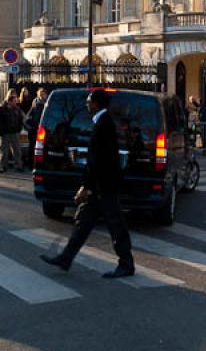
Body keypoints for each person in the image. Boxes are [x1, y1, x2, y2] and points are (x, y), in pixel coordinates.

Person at [40, 88, 135, 278]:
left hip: (104, 187)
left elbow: (99, 161)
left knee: (116, 226)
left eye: (89, 101)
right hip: (100, 186)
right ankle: (66, 258)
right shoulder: (103, 122)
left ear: (97, 104)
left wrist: (87, 186)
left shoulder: (104, 124)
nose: (87, 104)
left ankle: (126, 264)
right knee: (83, 224)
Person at [0, 90, 24, 172]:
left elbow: (21, 120)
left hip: (15, 132)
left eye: (16, 100)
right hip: (6, 133)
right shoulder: (3, 108)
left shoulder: (17, 109)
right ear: (9, 101)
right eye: (14, 100)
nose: (16, 102)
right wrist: (3, 130)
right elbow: (0, 120)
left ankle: (18, 166)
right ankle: (3, 166)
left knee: (17, 150)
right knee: (4, 151)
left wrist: (19, 129)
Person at [24, 87, 48, 170]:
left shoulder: (47, 104)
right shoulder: (35, 103)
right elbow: (29, 116)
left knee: (42, 148)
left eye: (43, 94)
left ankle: (40, 164)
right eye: (40, 94)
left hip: (43, 129)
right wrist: (30, 127)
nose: (42, 96)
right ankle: (31, 164)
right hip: (34, 129)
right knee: (32, 147)